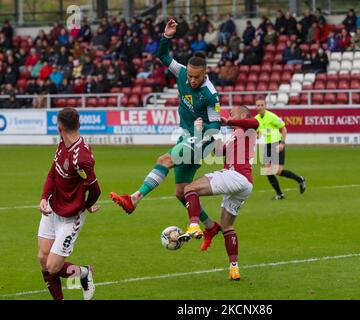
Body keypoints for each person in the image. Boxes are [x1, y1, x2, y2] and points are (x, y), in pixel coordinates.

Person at [110, 19, 220, 243]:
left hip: (202, 140)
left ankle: (134, 199)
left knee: (164, 159)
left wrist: (204, 126)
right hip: (187, 136)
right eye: (190, 76)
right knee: (181, 192)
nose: (192, 80)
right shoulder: (181, 73)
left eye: (196, 77)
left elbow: (216, 126)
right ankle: (210, 226)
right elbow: (164, 55)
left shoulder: (211, 94)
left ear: (205, 74)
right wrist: (166, 36)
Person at [179, 106, 259, 280]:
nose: (228, 115)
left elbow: (254, 121)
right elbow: (218, 150)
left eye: (232, 113)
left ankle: (193, 224)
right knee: (227, 226)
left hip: (236, 176)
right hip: (244, 184)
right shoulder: (234, 134)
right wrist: (206, 132)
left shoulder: (249, 128)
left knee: (189, 188)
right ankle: (234, 268)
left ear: (242, 115)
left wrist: (228, 121)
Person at [38, 107, 101, 300]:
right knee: (43, 258)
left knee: (53, 266)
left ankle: (84, 273)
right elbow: (52, 173)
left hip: (70, 218)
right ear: (79, 124)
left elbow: (95, 189)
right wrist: (43, 196)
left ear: (59, 128)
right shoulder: (61, 145)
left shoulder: (81, 158)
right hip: (52, 209)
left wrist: (85, 205)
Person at [255, 96, 306, 200]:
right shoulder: (256, 119)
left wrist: (282, 143)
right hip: (267, 145)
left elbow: (284, 129)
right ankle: (280, 194)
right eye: (258, 105)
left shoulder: (272, 117)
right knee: (267, 170)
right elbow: (257, 132)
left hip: (277, 144)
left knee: (278, 171)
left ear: (266, 106)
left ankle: (300, 179)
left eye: (262, 105)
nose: (260, 107)